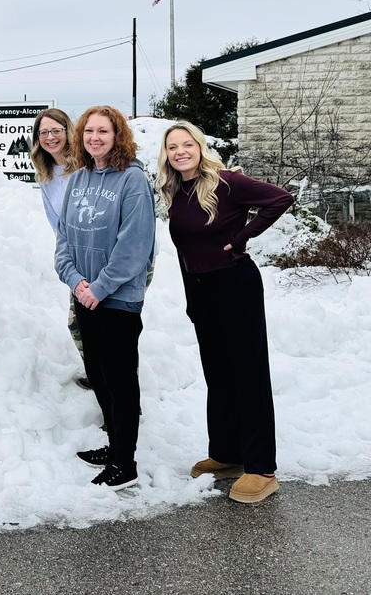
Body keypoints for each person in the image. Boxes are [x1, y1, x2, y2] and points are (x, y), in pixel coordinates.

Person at [157, 121, 293, 503]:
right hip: (202, 292)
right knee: (218, 375)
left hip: (236, 287)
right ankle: (228, 454)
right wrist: (192, 299)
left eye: (187, 144)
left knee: (249, 375)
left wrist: (242, 237)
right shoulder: (177, 190)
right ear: (166, 155)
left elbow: (280, 199)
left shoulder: (226, 182)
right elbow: (186, 251)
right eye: (173, 147)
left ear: (200, 147)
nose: (181, 151)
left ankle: (261, 468)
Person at [55, 105, 155, 490]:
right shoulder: (78, 179)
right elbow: (63, 239)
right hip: (85, 295)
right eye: (89, 131)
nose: (94, 138)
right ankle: (114, 445)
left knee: (120, 380)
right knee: (98, 374)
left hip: (117, 299)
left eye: (103, 131)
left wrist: (99, 287)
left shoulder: (132, 180)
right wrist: (76, 281)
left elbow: (135, 246)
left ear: (118, 136)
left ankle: (124, 463)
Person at [30, 108, 90, 390]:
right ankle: (99, 374)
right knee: (78, 324)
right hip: (77, 258)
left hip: (103, 255)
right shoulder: (46, 174)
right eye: (44, 132)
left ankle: (120, 386)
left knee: (110, 325)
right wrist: (70, 266)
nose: (50, 137)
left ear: (68, 131)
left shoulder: (85, 165)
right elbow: (57, 224)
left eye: (56, 130)